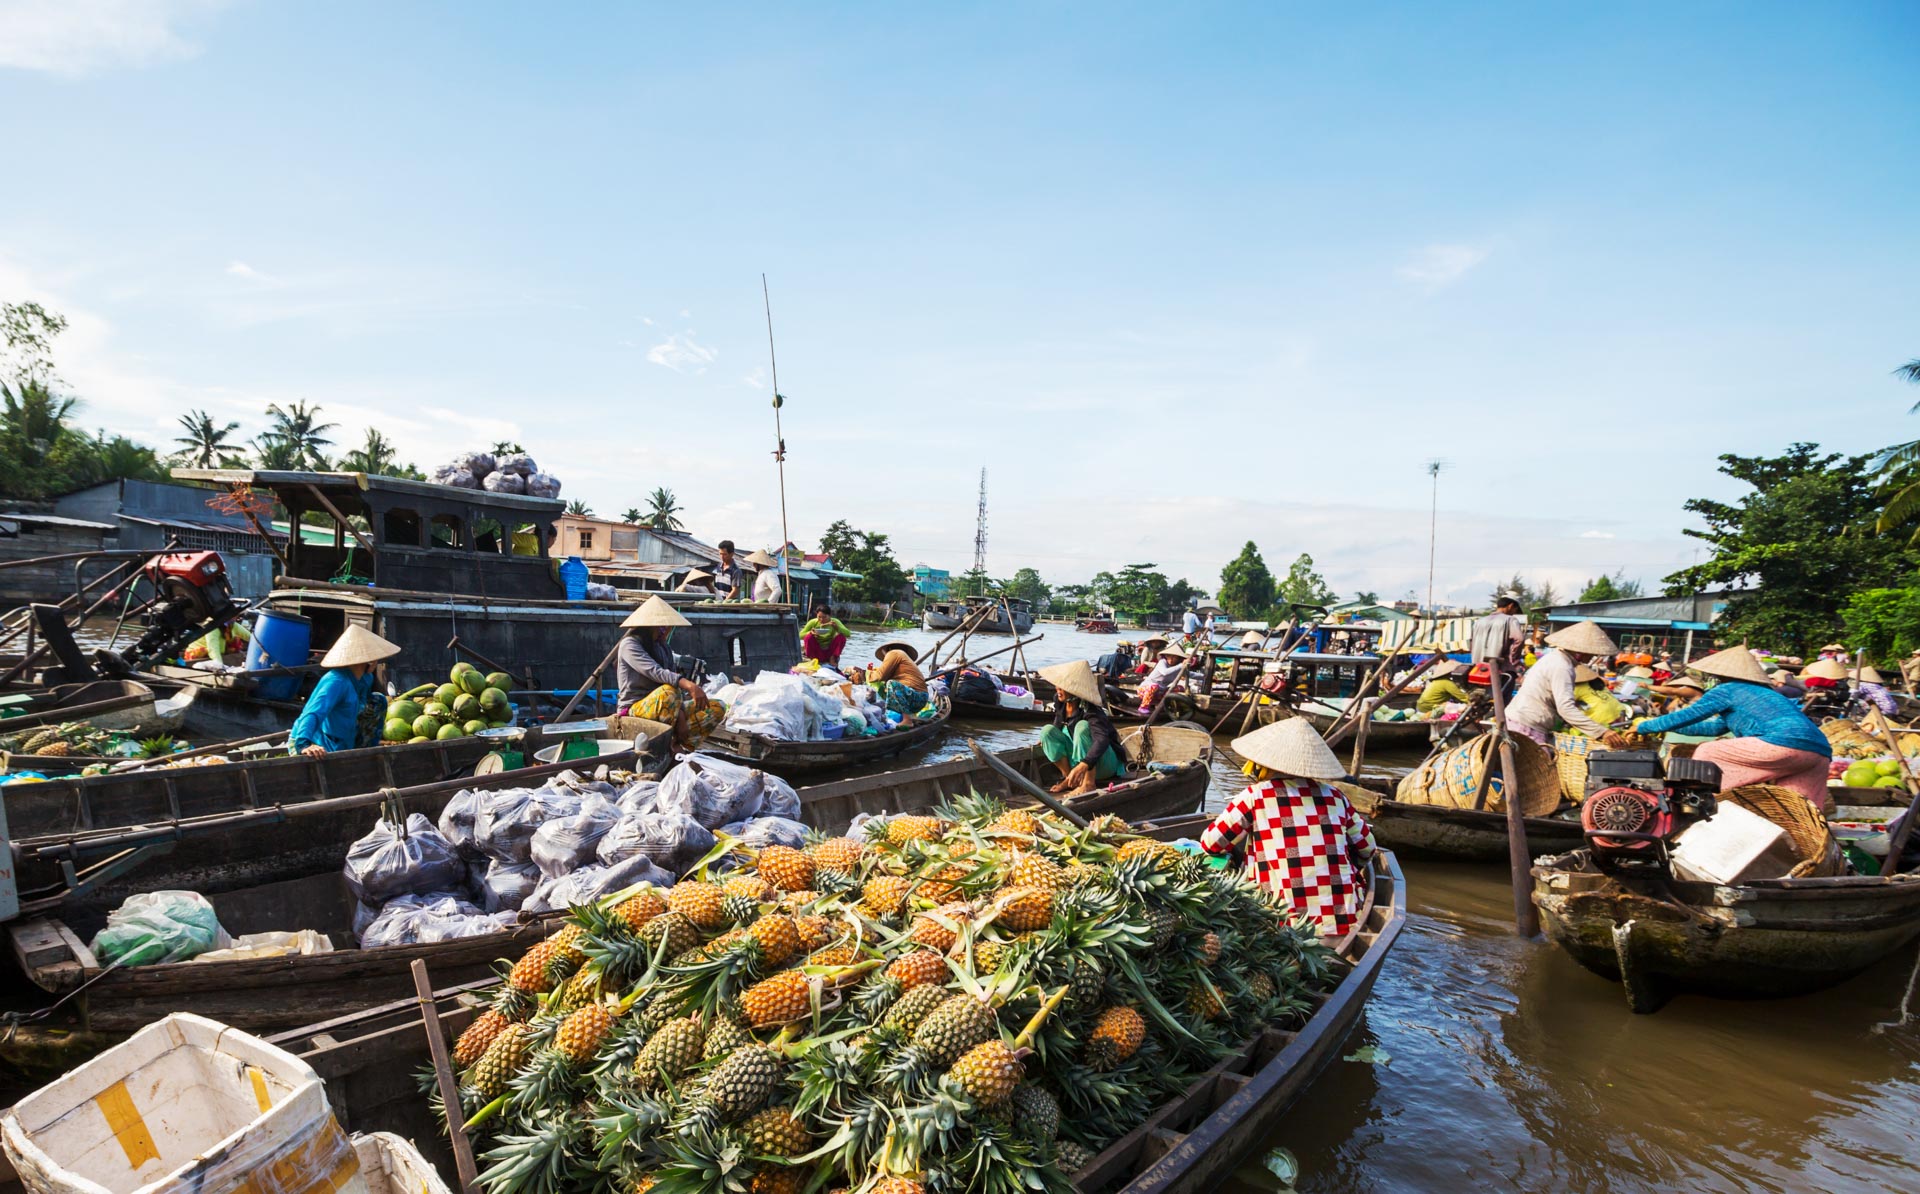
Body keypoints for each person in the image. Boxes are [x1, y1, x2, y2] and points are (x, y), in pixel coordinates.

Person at [1199, 718, 1377, 939]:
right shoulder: (1335, 796)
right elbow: (1368, 849)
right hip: (1340, 926)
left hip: (1279, 928)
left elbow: (1210, 844)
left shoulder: (1256, 795)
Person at [1633, 644, 1834, 810]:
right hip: (1818, 752)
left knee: (1707, 750)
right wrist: (1665, 727)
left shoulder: (1727, 689)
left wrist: (1644, 726)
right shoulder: (1762, 693)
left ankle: (1691, 808)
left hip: (1782, 744)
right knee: (1799, 811)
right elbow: (1713, 729)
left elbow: (1689, 715)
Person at [615, 595, 726, 748]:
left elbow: (673, 688)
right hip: (634, 709)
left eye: (669, 627)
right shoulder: (630, 644)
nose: (667, 630)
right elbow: (655, 672)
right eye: (663, 626)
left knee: (717, 706)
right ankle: (667, 746)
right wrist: (690, 685)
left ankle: (682, 746)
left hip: (668, 705)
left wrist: (681, 718)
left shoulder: (663, 647)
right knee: (668, 692)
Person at [290, 625, 399, 757]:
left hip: (342, 738)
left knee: (378, 700)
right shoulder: (336, 682)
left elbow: (362, 710)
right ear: (370, 661)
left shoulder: (365, 678)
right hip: (316, 741)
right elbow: (313, 712)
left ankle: (363, 752)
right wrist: (304, 744)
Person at [1506, 620, 1619, 746]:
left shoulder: (1555, 658)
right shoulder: (1562, 666)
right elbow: (1565, 708)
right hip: (1526, 725)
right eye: (1591, 652)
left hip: (1521, 720)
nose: (1593, 655)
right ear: (1579, 652)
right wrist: (1602, 732)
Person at [1036, 660, 1124, 796]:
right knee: (1047, 731)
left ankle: (1088, 783)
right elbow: (1058, 723)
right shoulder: (1060, 702)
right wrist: (1046, 739)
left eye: (1062, 687)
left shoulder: (1092, 711)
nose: (1058, 689)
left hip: (1103, 763)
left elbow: (1102, 740)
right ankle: (1070, 778)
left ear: (1074, 691)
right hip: (1079, 763)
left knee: (1082, 726)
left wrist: (1085, 764)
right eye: (1057, 686)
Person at [1469, 592, 1527, 686]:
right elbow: (1519, 639)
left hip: (1478, 670)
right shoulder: (1510, 620)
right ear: (1510, 606)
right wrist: (1514, 660)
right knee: (1501, 699)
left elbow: (1471, 644)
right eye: (1514, 610)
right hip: (1500, 671)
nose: (1514, 613)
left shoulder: (1479, 622)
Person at [865, 641, 929, 717]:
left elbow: (879, 675)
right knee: (884, 687)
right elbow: (882, 678)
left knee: (892, 684)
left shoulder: (894, 653)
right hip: (919, 699)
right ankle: (904, 716)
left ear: (890, 649)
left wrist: (867, 673)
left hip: (917, 698)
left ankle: (907, 719)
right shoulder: (901, 659)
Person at [1571, 664, 1631, 731]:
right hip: (1618, 710)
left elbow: (1565, 704)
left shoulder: (1576, 688)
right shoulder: (1597, 681)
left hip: (1602, 717)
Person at [1134, 644, 1188, 716]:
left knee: (1179, 688)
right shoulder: (1162, 662)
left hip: (1160, 693)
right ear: (1165, 656)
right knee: (1154, 686)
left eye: (1174, 657)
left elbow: (1190, 674)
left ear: (1178, 658)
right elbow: (1164, 672)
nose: (1171, 659)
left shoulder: (1177, 667)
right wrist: (1181, 665)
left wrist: (1205, 676)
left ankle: (1163, 705)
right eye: (1169, 656)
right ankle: (1143, 707)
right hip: (1145, 691)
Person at [800, 602, 851, 668]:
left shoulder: (834, 622)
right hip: (816, 651)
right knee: (808, 637)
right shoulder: (813, 622)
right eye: (819, 617)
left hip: (829, 652)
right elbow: (800, 635)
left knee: (841, 637)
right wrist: (810, 632)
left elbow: (848, 634)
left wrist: (837, 628)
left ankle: (832, 659)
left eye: (824, 617)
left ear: (829, 615)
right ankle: (812, 659)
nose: (821, 620)